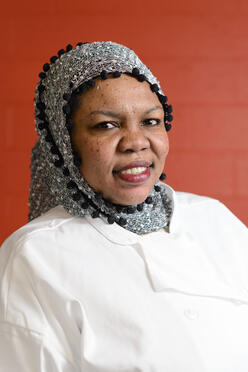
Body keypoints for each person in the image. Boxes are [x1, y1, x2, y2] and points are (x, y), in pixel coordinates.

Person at [0, 41, 247, 372]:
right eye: (106, 125)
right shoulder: (36, 255)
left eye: (150, 121)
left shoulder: (216, 220)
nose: (136, 142)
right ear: (64, 142)